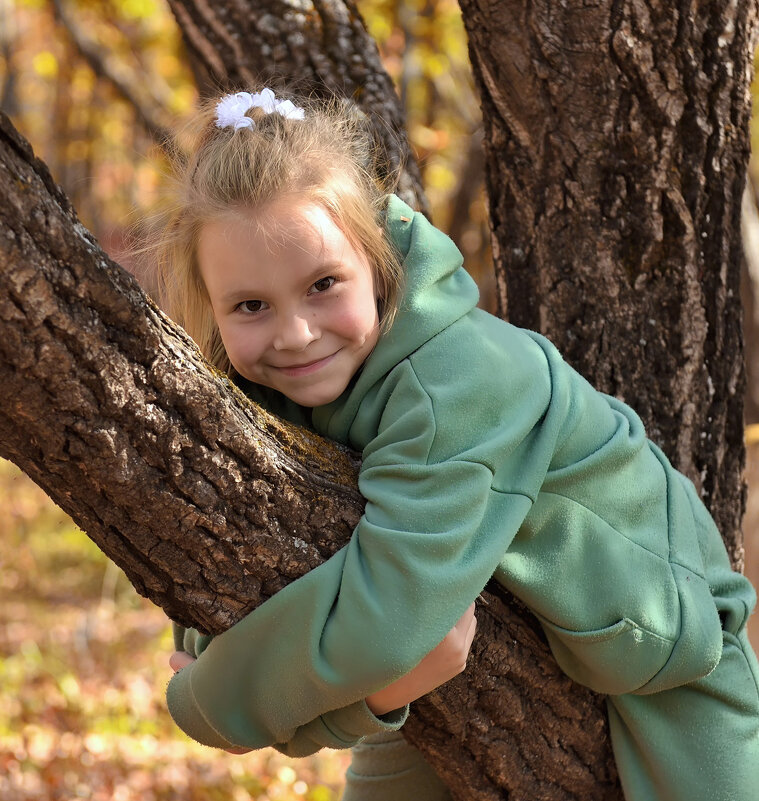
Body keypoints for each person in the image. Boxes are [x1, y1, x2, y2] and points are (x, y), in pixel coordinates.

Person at [150, 87, 759, 801]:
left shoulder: (456, 381)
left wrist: (208, 701)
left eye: (323, 284)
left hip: (665, 656)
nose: (294, 332)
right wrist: (373, 695)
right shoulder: (270, 387)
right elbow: (239, 589)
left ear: (375, 262)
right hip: (476, 644)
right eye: (251, 305)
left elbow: (389, 619)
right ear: (212, 306)